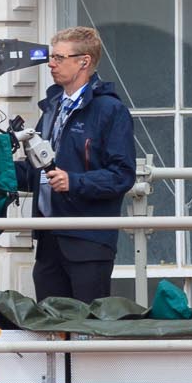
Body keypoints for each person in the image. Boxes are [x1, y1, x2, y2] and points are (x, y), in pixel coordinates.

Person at [14, 26, 136, 303]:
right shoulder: (53, 106)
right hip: (49, 238)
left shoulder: (109, 109)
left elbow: (123, 175)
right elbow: (36, 167)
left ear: (84, 61)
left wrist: (75, 181)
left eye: (59, 57)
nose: (51, 63)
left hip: (88, 240)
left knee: (87, 330)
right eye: (51, 56)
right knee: (53, 328)